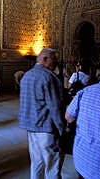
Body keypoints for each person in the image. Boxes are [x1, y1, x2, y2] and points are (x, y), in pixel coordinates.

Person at [19, 48, 65, 179]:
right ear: (45, 59)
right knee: (52, 165)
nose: (57, 62)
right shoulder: (49, 77)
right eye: (54, 58)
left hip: (31, 127)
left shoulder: (26, 75)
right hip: (46, 130)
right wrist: (61, 129)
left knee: (36, 163)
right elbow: (55, 107)